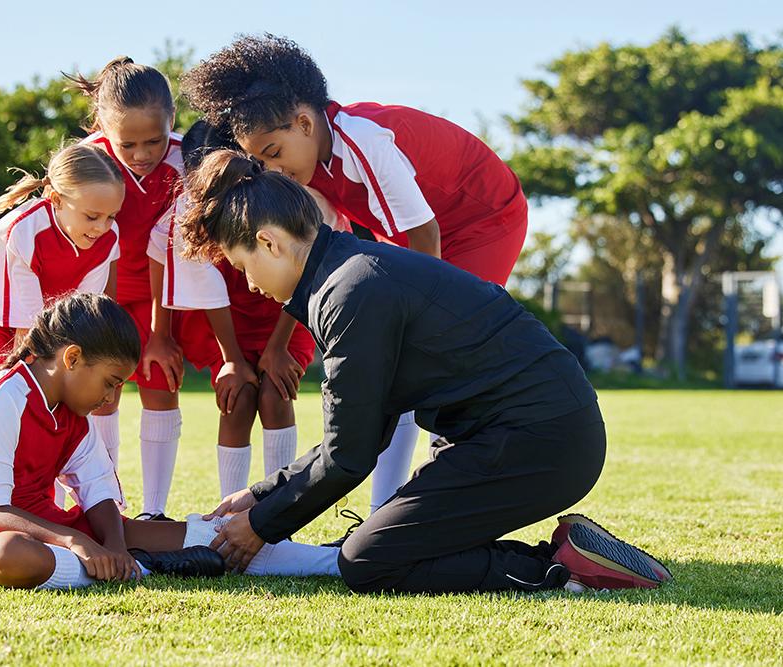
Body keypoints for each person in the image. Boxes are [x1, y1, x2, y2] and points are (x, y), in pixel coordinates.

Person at [180, 150, 673, 594]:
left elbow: (349, 455)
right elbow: (357, 436)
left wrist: (261, 524)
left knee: (367, 561)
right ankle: (574, 552)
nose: (248, 284)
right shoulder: (349, 271)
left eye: (241, 265)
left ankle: (562, 567)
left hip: (541, 438)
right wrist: (260, 494)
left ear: (269, 243)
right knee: (385, 539)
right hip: (517, 431)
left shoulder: (350, 290)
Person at [181, 34, 531, 518]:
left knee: (428, 355)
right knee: (393, 364)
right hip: (419, 232)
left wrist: (416, 322)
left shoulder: (362, 139)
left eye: (273, 151)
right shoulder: (308, 168)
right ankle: (385, 507)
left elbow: (424, 235)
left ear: (305, 123)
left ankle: (424, 492)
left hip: (480, 218)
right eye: (258, 161)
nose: (270, 169)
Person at [0, 293, 342, 590]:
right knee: (9, 557)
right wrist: (79, 542)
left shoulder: (74, 411)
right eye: (109, 384)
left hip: (59, 531)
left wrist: (113, 545)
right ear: (72, 359)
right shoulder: (3, 398)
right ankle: (149, 567)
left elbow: (97, 493)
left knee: (216, 535)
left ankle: (335, 561)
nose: (110, 399)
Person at [148, 120, 316, 499]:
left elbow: (304, 271)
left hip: (285, 314)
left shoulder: (283, 196)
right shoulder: (188, 213)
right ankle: (230, 509)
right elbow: (197, 283)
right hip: (220, 321)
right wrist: (233, 360)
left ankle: (277, 509)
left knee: (276, 390)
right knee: (237, 397)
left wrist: (276, 350)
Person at [67, 57, 189, 520]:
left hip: (165, 294)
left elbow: (174, 250)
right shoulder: (86, 160)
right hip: (98, 292)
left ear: (172, 122)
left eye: (154, 140)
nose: (142, 154)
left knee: (160, 382)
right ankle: (103, 503)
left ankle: (154, 511)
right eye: (129, 144)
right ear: (102, 126)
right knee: (100, 391)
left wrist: (162, 332)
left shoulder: (186, 159)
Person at [0, 142, 123, 400]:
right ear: (56, 200)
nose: (102, 227)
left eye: (111, 216)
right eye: (91, 216)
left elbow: (80, 309)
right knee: (0, 385)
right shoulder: (24, 230)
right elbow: (27, 330)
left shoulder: (109, 239)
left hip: (46, 304)